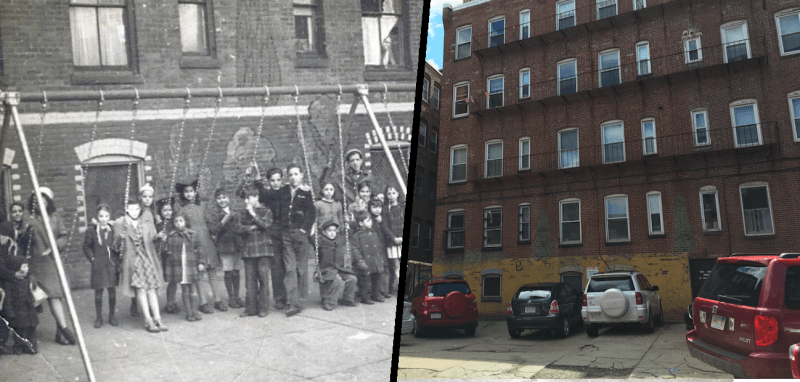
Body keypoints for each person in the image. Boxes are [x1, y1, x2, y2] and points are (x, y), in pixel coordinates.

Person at [23, 187, 76, 345]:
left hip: (54, 261)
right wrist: (27, 233)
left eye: (44, 201)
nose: (40, 204)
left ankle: (61, 332)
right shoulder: (30, 219)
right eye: (37, 201)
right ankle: (63, 330)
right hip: (38, 263)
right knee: (46, 297)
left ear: (48, 203)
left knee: (56, 295)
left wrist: (55, 246)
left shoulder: (55, 218)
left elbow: (64, 236)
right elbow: (24, 241)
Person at [236, 165, 287, 310]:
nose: (276, 183)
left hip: (285, 231)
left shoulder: (286, 191)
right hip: (269, 234)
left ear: (282, 180)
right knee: (275, 268)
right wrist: (248, 176)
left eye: (278, 180)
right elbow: (240, 192)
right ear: (268, 181)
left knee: (286, 267)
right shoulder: (264, 195)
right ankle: (278, 299)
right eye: (272, 180)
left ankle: (288, 297)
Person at [113, 196, 167, 333]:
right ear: (126, 210)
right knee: (141, 289)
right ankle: (148, 320)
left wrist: (159, 237)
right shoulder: (121, 223)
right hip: (133, 260)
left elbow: (153, 240)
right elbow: (115, 246)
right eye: (131, 209)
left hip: (147, 258)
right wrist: (121, 238)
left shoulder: (145, 223)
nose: (135, 212)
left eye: (137, 209)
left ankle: (158, 318)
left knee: (152, 288)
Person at [174, 177, 226, 313]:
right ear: (183, 194)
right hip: (194, 244)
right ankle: (203, 302)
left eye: (191, 191)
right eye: (186, 192)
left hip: (207, 242)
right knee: (199, 274)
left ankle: (218, 300)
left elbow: (209, 223)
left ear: (195, 192)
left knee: (212, 272)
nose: (189, 194)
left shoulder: (202, 206)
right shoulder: (182, 210)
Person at [278, 164, 316, 317]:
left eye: (296, 174)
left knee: (301, 268)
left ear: (301, 175)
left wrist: (303, 230)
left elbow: (311, 213)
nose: (293, 177)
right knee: (289, 268)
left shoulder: (306, 192)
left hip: (300, 234)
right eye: (290, 175)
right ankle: (292, 302)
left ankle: (300, 300)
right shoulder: (284, 191)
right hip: (286, 234)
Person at [0, 221, 38, 354]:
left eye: (5, 236)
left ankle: (20, 344)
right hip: (5, 281)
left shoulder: (15, 248)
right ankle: (3, 341)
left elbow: (24, 262)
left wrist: (28, 274)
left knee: (15, 317)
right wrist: (13, 274)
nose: (2, 239)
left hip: (13, 283)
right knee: (5, 313)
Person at [238, 187, 274, 317]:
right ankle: (251, 308)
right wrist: (253, 227)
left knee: (263, 280)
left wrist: (253, 214)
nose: (246, 201)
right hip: (248, 250)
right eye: (245, 199)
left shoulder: (266, 211)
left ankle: (263, 308)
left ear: (257, 197)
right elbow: (238, 228)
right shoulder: (243, 213)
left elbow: (266, 224)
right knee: (250, 281)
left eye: (249, 198)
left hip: (263, 250)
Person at [82, 204, 120, 328]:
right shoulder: (92, 230)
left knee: (112, 291)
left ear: (110, 216)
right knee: (98, 292)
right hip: (98, 265)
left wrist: (116, 260)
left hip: (110, 264)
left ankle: (112, 316)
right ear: (97, 216)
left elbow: (117, 246)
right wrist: (92, 259)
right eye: (101, 216)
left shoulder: (113, 229)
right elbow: (86, 247)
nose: (103, 219)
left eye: (106, 216)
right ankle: (99, 317)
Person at [207, 186, 244, 309]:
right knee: (228, 272)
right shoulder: (214, 214)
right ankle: (231, 297)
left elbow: (239, 226)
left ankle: (237, 296)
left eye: (224, 197)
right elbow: (213, 230)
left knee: (236, 271)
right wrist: (224, 220)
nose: (222, 200)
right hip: (224, 246)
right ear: (215, 200)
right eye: (219, 198)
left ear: (228, 198)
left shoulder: (234, 211)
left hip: (236, 245)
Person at [315, 220, 364, 310]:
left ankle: (347, 299)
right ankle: (328, 301)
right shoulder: (320, 241)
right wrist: (313, 227)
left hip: (340, 268)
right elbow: (312, 238)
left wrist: (348, 225)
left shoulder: (339, 239)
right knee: (337, 280)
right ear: (324, 232)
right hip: (326, 269)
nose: (332, 233)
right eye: (329, 230)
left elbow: (348, 235)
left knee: (352, 279)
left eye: (334, 230)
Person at [163, 212, 202, 322]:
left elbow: (200, 250)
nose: (178, 223)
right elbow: (166, 251)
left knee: (193, 290)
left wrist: (201, 263)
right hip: (180, 266)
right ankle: (189, 313)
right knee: (185, 290)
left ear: (185, 222)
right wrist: (163, 241)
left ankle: (195, 311)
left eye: (181, 221)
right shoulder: (171, 236)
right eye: (176, 221)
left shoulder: (193, 234)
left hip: (191, 265)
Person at [129, 184, 158, 318]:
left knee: (148, 277)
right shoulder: (139, 212)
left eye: (150, 197)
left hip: (150, 245)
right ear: (140, 198)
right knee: (139, 278)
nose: (147, 199)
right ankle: (135, 304)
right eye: (145, 196)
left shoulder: (151, 212)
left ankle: (149, 307)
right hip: (142, 247)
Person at [350, 210, 385, 304]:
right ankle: (365, 297)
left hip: (375, 260)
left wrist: (381, 257)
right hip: (365, 260)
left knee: (377, 278)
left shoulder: (373, 233)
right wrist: (360, 260)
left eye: (371, 220)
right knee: (365, 280)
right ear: (361, 223)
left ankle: (376, 294)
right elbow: (354, 249)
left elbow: (379, 246)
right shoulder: (357, 235)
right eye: (368, 221)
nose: (371, 222)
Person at [154, 197, 179, 314]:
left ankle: (171, 303)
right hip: (163, 255)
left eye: (169, 210)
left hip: (173, 253)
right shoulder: (158, 224)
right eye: (165, 210)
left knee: (173, 279)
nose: (168, 212)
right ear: (160, 212)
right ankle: (154, 305)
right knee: (160, 279)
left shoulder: (174, 222)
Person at [381, 185, 404, 297]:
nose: (391, 196)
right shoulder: (385, 209)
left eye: (393, 193)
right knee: (395, 265)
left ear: (398, 194)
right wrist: (394, 238)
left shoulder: (402, 207)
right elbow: (385, 227)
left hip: (402, 238)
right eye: (389, 193)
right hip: (392, 242)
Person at [367, 197, 389, 300]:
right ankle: (374, 292)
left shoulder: (382, 218)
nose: (377, 209)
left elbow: (386, 230)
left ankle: (383, 291)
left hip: (382, 246)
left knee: (383, 268)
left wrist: (381, 221)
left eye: (379, 207)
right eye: (374, 207)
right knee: (374, 270)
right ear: (370, 207)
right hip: (372, 247)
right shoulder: (368, 218)